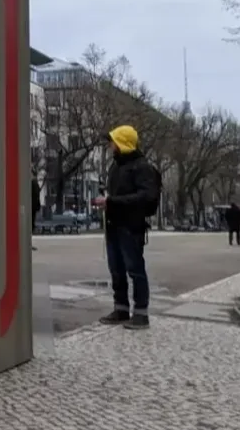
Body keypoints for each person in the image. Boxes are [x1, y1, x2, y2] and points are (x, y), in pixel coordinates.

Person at [98, 125, 161, 330]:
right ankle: (121, 309)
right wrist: (109, 203)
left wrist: (112, 202)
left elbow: (147, 196)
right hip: (113, 225)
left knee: (135, 269)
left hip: (131, 226)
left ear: (122, 143)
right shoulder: (115, 166)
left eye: (112, 142)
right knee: (116, 270)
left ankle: (141, 314)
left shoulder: (142, 167)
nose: (110, 146)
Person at [31, 174, 42, 251]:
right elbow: (36, 195)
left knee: (31, 225)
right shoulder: (34, 182)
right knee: (31, 225)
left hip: (32, 206)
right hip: (33, 207)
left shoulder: (32, 182)